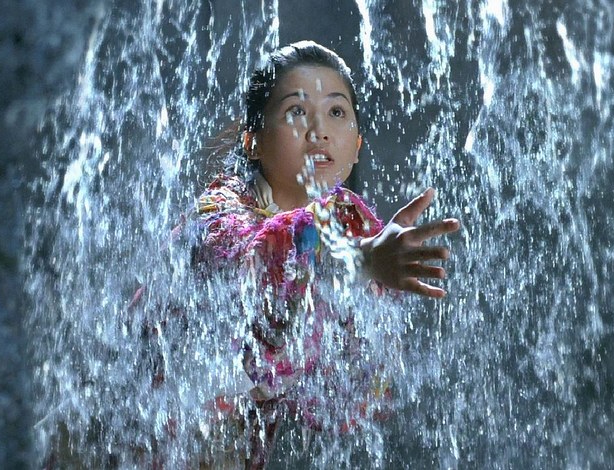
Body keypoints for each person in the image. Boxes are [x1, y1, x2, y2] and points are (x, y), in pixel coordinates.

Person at [190, 40, 460, 468]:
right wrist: (360, 260)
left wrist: (369, 300)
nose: (319, 130)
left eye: (336, 112)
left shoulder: (349, 222)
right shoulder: (217, 211)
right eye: (296, 111)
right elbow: (250, 259)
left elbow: (339, 407)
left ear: (357, 144)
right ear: (253, 141)